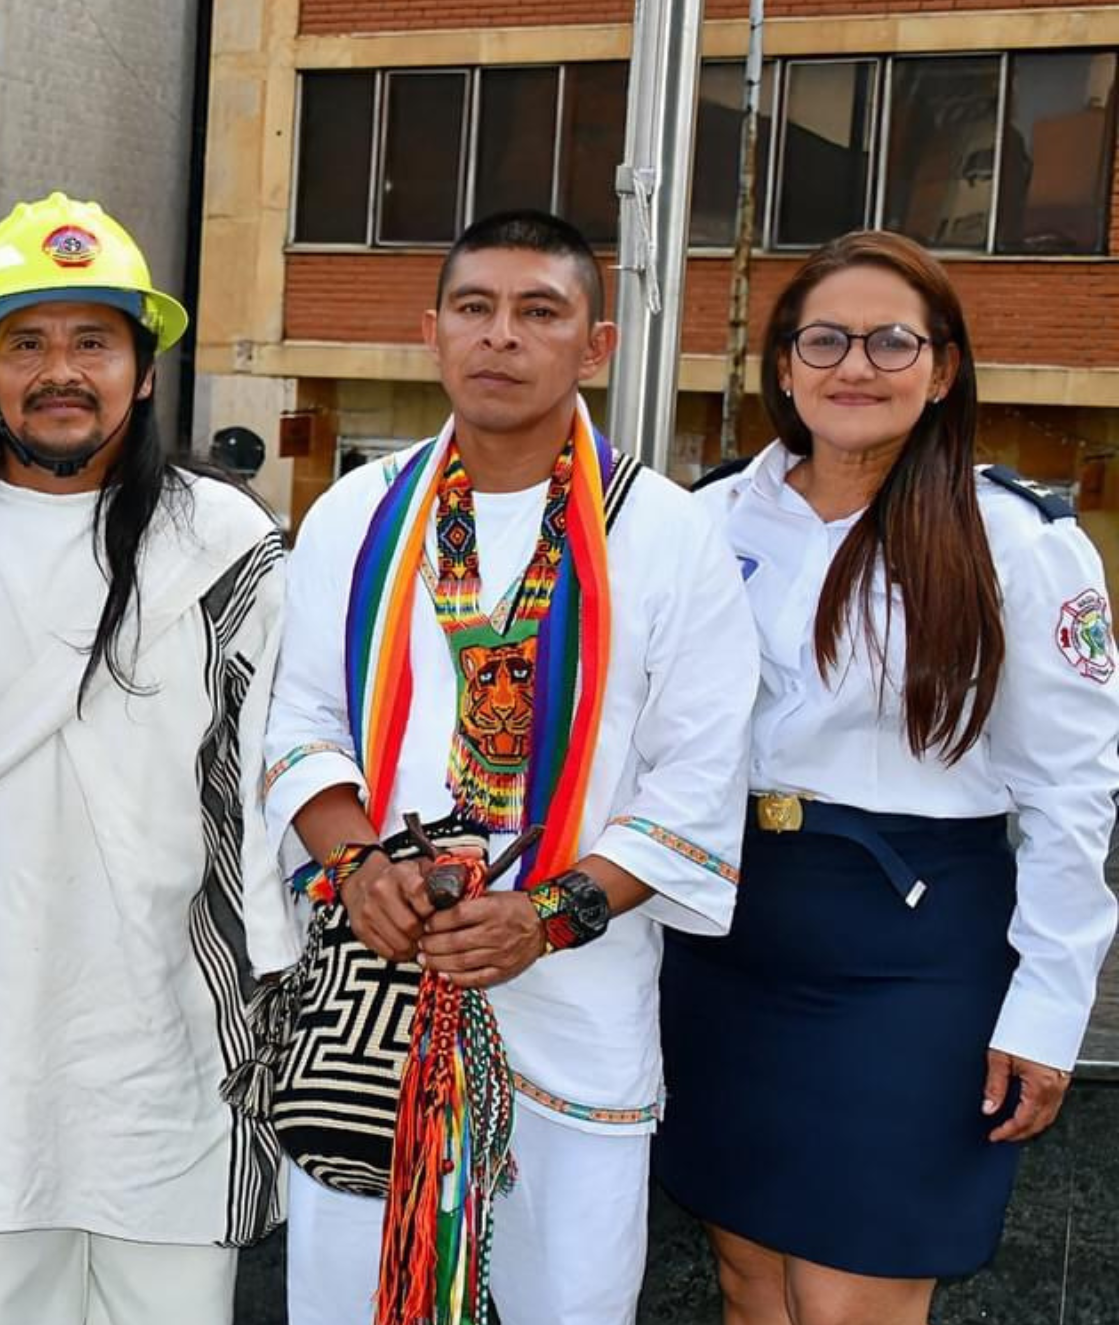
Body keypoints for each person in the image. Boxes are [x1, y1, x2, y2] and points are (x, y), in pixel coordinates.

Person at [258, 210, 757, 1325]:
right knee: (348, 1293)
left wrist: (549, 911)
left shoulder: (668, 535)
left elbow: (696, 779)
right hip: (378, 996)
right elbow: (297, 720)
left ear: (595, 345)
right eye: (475, 309)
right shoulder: (359, 510)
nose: (501, 336)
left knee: (566, 1297)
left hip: (573, 992)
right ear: (432, 332)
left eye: (540, 311)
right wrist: (354, 867)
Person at [657, 232, 1119, 1325]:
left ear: (942, 367)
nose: (852, 365)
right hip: (724, 935)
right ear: (780, 364)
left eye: (889, 340)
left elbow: (1072, 790)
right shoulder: (706, 519)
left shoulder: (1015, 539)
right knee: (750, 1281)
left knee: (849, 1295)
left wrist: (1050, 1005)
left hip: (909, 956)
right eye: (823, 338)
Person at [0, 193, 292, 1325]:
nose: (61, 370)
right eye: (27, 343)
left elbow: (276, 784)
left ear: (143, 370)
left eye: (92, 340)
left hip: (177, 1047)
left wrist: (275, 999)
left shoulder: (225, 544)